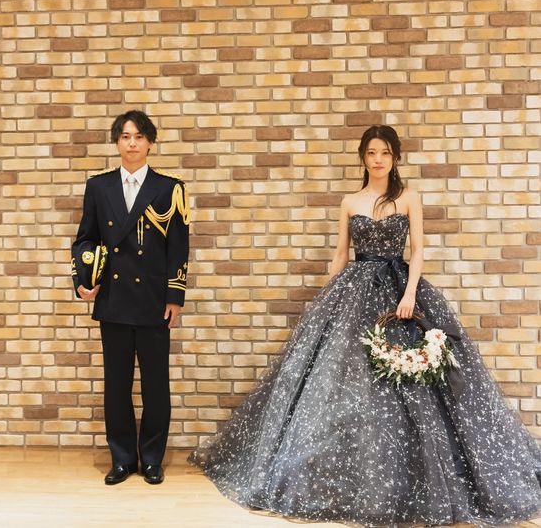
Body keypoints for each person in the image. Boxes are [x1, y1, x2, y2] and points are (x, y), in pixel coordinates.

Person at [189, 125, 541, 526]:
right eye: (372, 152)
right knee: (348, 379)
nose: (378, 159)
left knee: (412, 384)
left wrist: (409, 294)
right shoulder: (350, 201)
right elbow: (341, 253)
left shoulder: (408, 197)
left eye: (385, 153)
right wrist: (327, 300)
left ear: (395, 158)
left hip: (398, 290)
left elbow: (418, 250)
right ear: (363, 157)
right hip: (354, 290)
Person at [71, 110, 190, 485]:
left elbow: (178, 247)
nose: (132, 143)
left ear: (150, 142)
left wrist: (175, 296)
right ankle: (122, 459)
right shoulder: (99, 186)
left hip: (154, 300)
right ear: (117, 143)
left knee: (156, 386)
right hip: (114, 300)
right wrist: (83, 279)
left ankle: (152, 459)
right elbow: (85, 240)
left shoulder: (169, 188)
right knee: (116, 385)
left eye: (139, 136)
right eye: (125, 136)